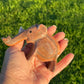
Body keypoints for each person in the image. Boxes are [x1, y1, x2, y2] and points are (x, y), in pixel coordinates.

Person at [0, 25, 74, 84]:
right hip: (51, 54)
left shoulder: (38, 42)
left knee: (51, 61)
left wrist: (27, 58)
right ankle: (51, 64)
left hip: (48, 54)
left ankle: (51, 63)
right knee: (52, 63)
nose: (27, 33)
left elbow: (33, 52)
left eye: (30, 31)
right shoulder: (41, 36)